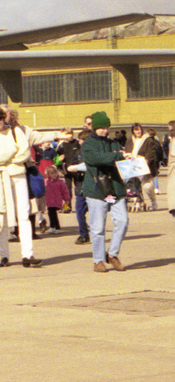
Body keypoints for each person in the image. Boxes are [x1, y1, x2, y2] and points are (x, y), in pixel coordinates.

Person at [0, 105, 42, 268]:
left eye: (0, 118)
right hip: (0, 178)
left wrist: (7, 158)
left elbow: (25, 154)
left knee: (24, 214)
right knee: (1, 215)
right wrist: (12, 151)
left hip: (19, 176)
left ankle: (27, 254)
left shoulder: (16, 132)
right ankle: (4, 255)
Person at [82, 111, 129, 273]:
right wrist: (116, 156)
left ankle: (113, 254)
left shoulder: (114, 144)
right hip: (96, 190)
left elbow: (119, 160)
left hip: (116, 188)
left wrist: (128, 158)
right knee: (98, 228)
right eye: (101, 127)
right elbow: (95, 159)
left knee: (122, 221)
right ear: (94, 128)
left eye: (106, 127)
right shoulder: (88, 144)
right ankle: (98, 260)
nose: (104, 130)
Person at [124, 123, 159, 211]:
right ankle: (136, 201)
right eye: (136, 130)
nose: (138, 131)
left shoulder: (148, 140)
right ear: (133, 131)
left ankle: (153, 201)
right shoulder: (129, 140)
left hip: (144, 166)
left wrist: (144, 161)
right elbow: (127, 151)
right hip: (132, 166)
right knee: (133, 186)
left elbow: (151, 154)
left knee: (147, 187)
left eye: (139, 129)